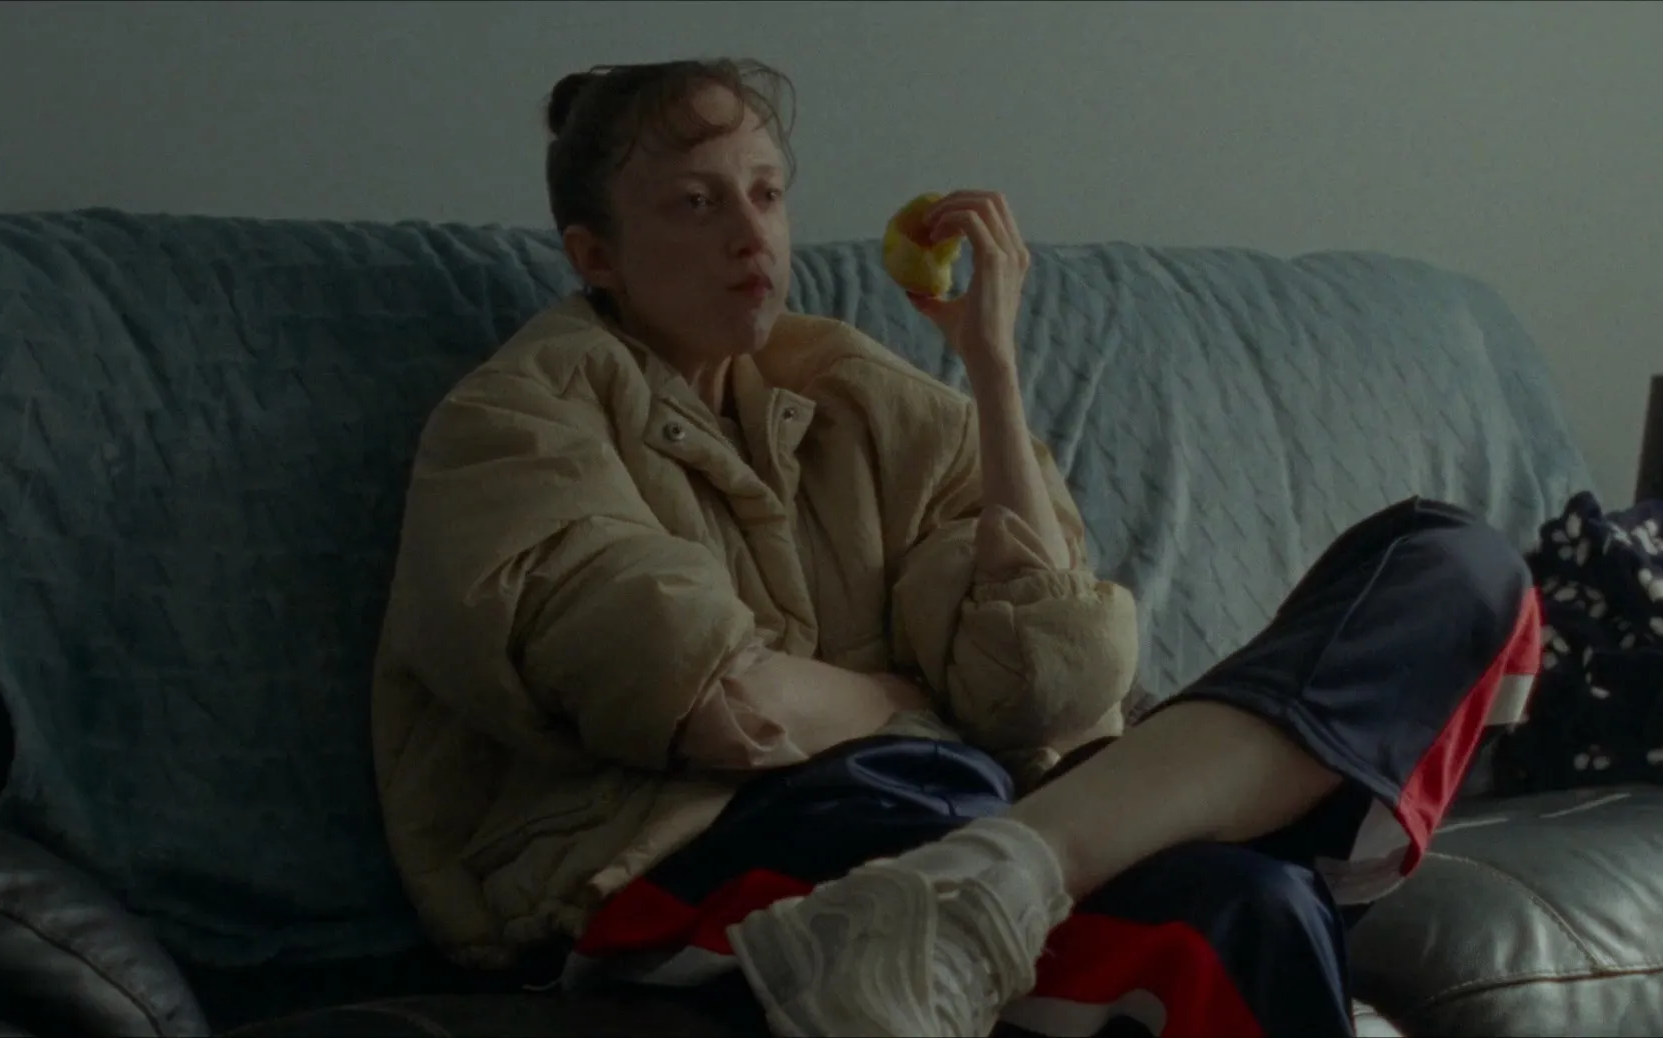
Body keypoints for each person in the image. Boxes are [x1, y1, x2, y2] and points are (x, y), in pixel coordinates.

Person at [370, 57, 1542, 1038]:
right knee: (1173, 883)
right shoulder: (515, 424)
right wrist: (916, 708)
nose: (751, 234)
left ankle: (994, 885)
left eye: (767, 194)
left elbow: (1041, 689)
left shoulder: (859, 399)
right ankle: (986, 881)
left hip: (950, 841)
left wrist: (990, 367)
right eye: (696, 203)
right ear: (595, 256)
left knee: (1455, 570)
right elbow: (721, 702)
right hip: (687, 876)